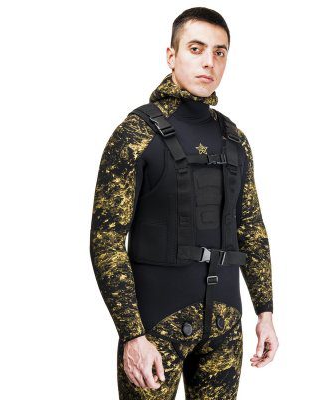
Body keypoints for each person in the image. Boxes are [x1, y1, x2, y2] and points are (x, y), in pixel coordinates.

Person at [89, 7, 278, 399]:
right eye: (196, 48)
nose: (209, 61)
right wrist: (132, 335)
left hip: (225, 325)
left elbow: (251, 228)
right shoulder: (136, 134)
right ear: (171, 56)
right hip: (155, 330)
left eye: (220, 52)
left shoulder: (234, 140)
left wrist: (265, 313)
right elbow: (106, 240)